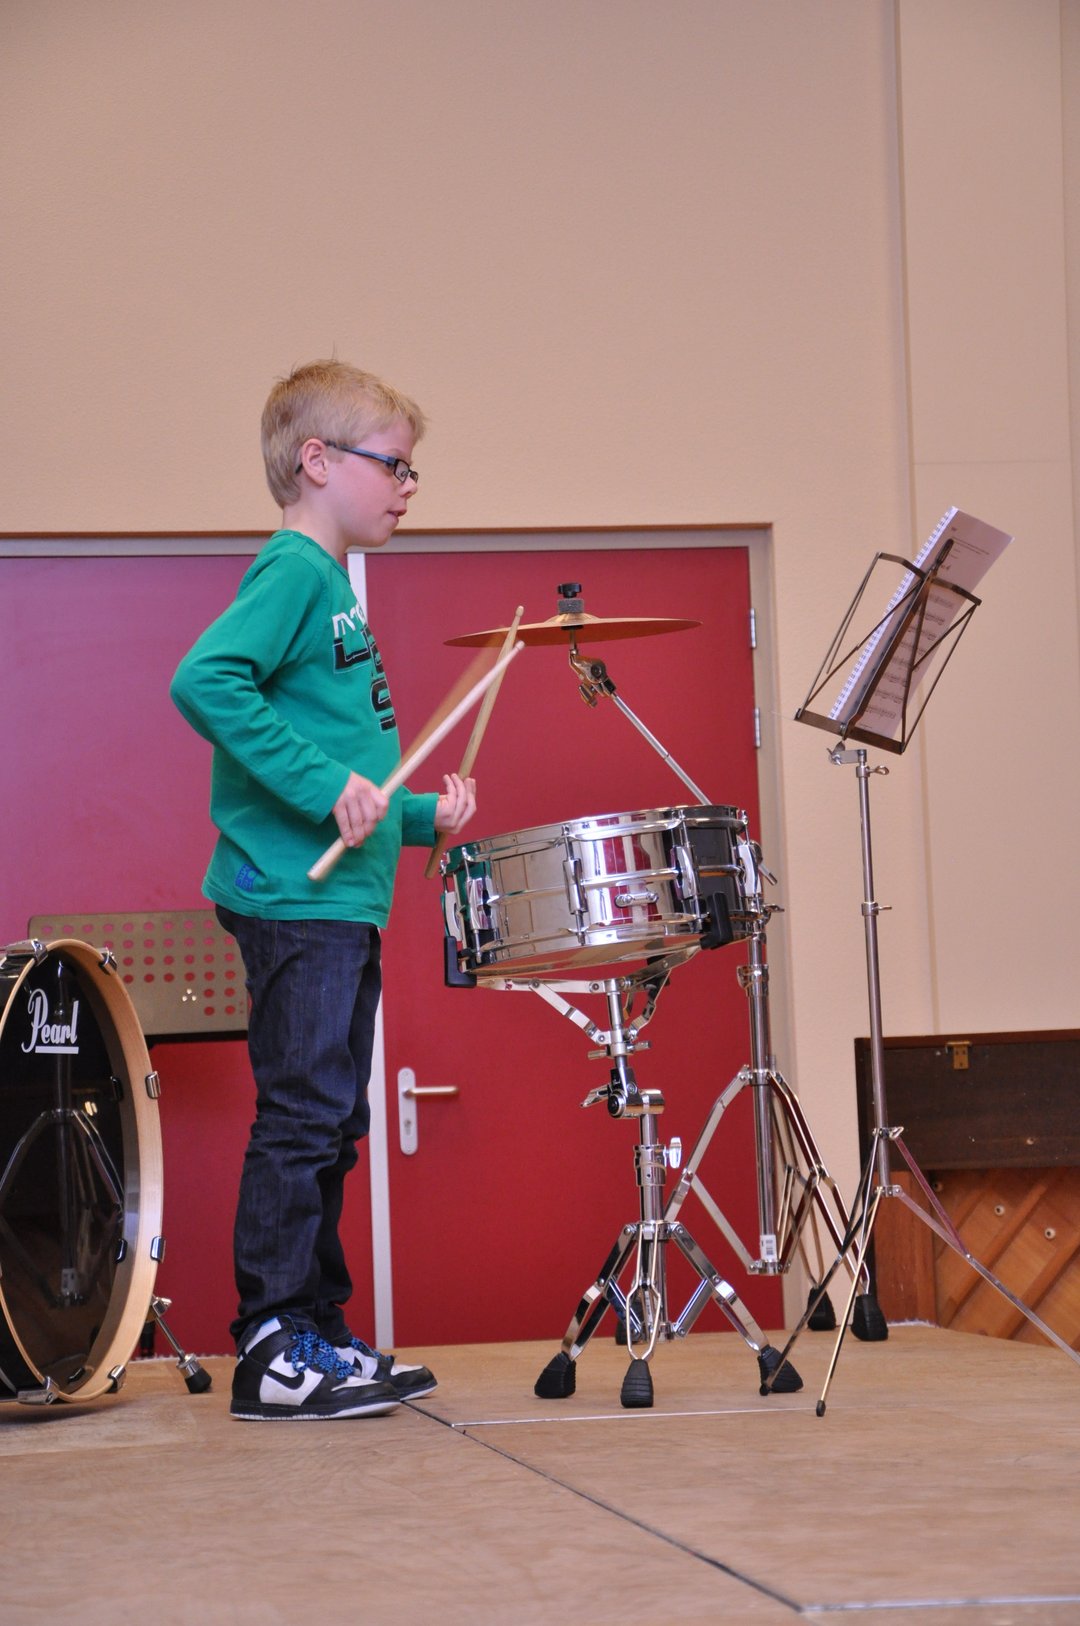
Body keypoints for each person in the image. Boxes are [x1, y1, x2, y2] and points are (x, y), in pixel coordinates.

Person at [170, 360, 476, 1421]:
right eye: (392, 465)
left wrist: (419, 816)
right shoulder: (296, 571)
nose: (407, 486)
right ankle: (270, 1344)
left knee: (332, 1120)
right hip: (295, 902)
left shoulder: (333, 588)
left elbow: (355, 780)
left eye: (410, 469)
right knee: (304, 1117)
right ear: (316, 461)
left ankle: (318, 1329)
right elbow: (205, 682)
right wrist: (323, 786)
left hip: (342, 902)